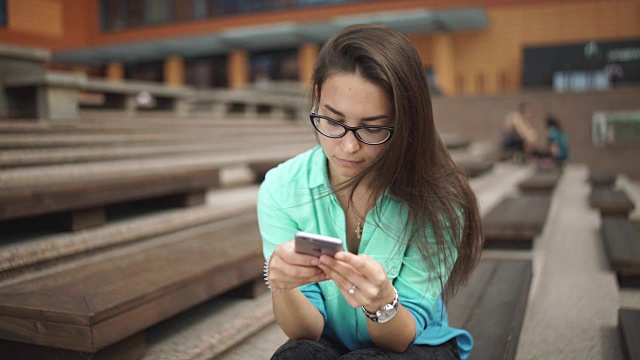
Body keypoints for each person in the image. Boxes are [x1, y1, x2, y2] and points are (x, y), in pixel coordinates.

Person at [258, 24, 483, 360]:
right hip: (330, 342)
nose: (348, 147)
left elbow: (400, 338)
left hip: (413, 343)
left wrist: (381, 303)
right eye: (333, 121)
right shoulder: (282, 188)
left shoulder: (441, 199)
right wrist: (283, 285)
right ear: (317, 95)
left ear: (406, 122)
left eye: (373, 128)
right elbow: (306, 333)